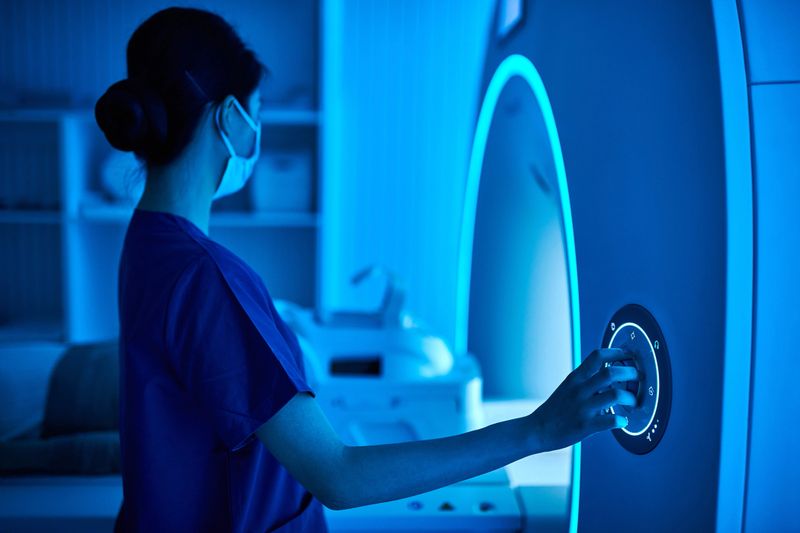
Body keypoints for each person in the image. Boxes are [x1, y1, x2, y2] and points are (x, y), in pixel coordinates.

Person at [95, 7, 639, 533]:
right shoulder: (207, 276)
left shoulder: (148, 241)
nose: (257, 132)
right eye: (257, 113)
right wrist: (537, 430)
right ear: (231, 119)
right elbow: (338, 477)